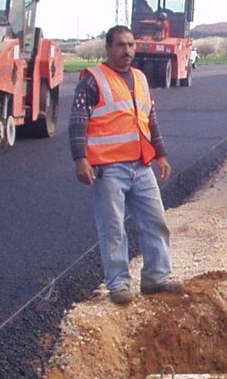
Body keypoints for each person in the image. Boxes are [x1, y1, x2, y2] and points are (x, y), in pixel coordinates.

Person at [69, 25, 182, 305]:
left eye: (131, 45)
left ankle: (156, 278)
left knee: (156, 222)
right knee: (113, 228)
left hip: (141, 166)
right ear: (108, 48)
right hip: (109, 169)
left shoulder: (141, 79)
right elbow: (78, 120)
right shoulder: (93, 80)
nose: (127, 50)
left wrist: (161, 154)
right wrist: (80, 158)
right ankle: (118, 284)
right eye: (120, 45)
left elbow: (149, 119)